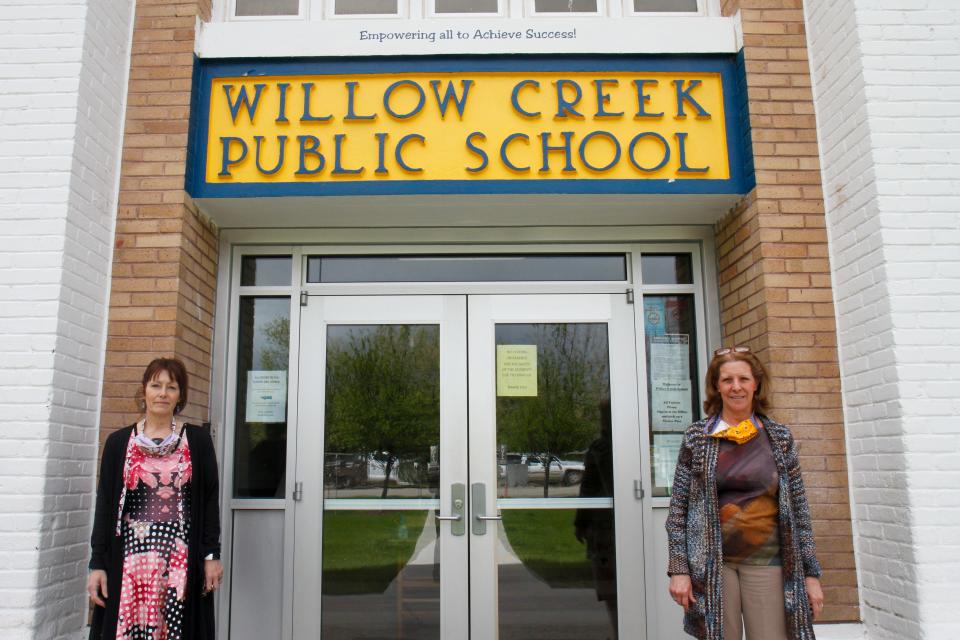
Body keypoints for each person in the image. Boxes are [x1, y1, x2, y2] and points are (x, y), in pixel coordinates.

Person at [665, 346, 824, 640]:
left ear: (756, 384)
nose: (735, 387)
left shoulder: (779, 438)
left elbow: (799, 512)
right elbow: (678, 512)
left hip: (768, 563)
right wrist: (679, 570)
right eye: (727, 380)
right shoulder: (697, 438)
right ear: (716, 386)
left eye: (743, 379)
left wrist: (810, 575)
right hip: (713, 566)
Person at [87, 357, 222, 640]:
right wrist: (97, 563)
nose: (163, 393)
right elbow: (105, 507)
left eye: (171, 387)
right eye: (156, 385)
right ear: (144, 390)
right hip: (130, 564)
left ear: (180, 396)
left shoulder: (197, 441)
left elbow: (210, 501)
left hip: (180, 563)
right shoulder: (118, 443)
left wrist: (211, 554)